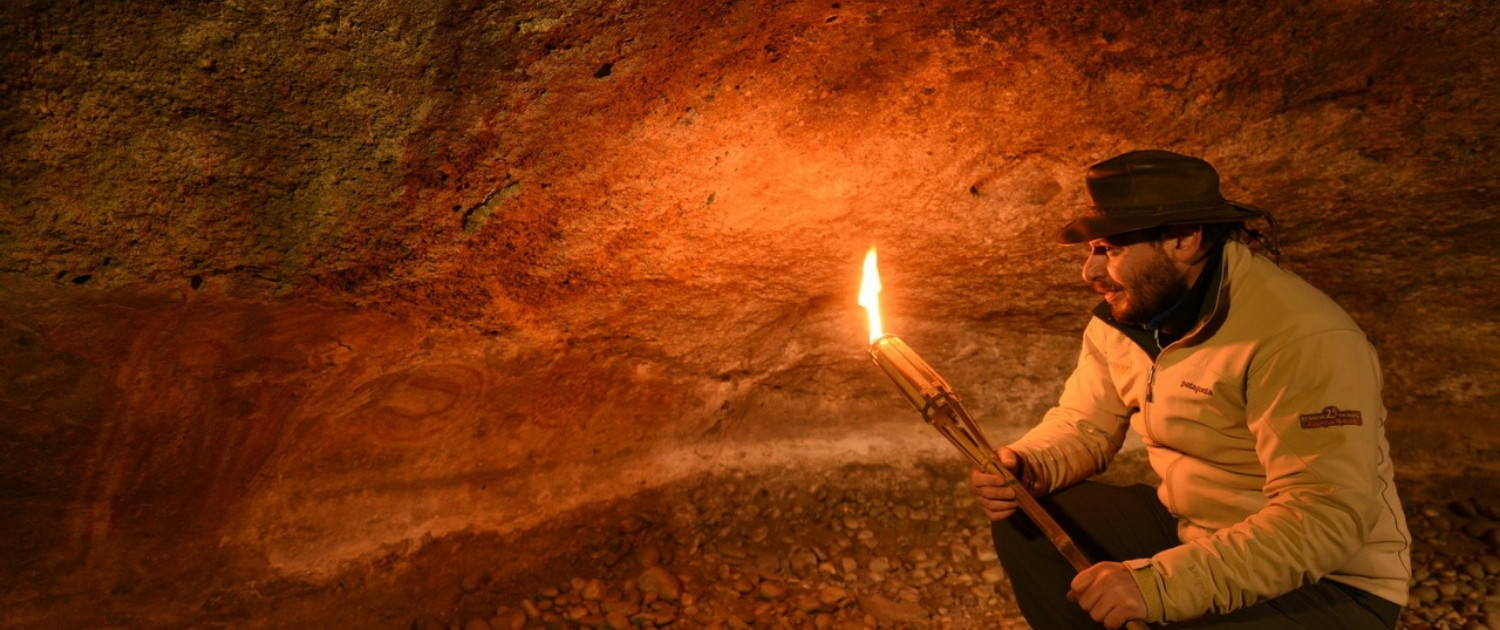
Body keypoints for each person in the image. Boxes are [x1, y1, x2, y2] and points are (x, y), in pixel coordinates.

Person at [968, 150, 1411, 629]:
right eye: (1092, 249)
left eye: (1110, 250)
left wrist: (1161, 587)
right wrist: (1028, 464)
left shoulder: (1300, 336)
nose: (1090, 273)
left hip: (1329, 582)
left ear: (1182, 238)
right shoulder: (1131, 319)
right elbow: (1085, 424)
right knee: (1028, 515)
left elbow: (1324, 518)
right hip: (1196, 536)